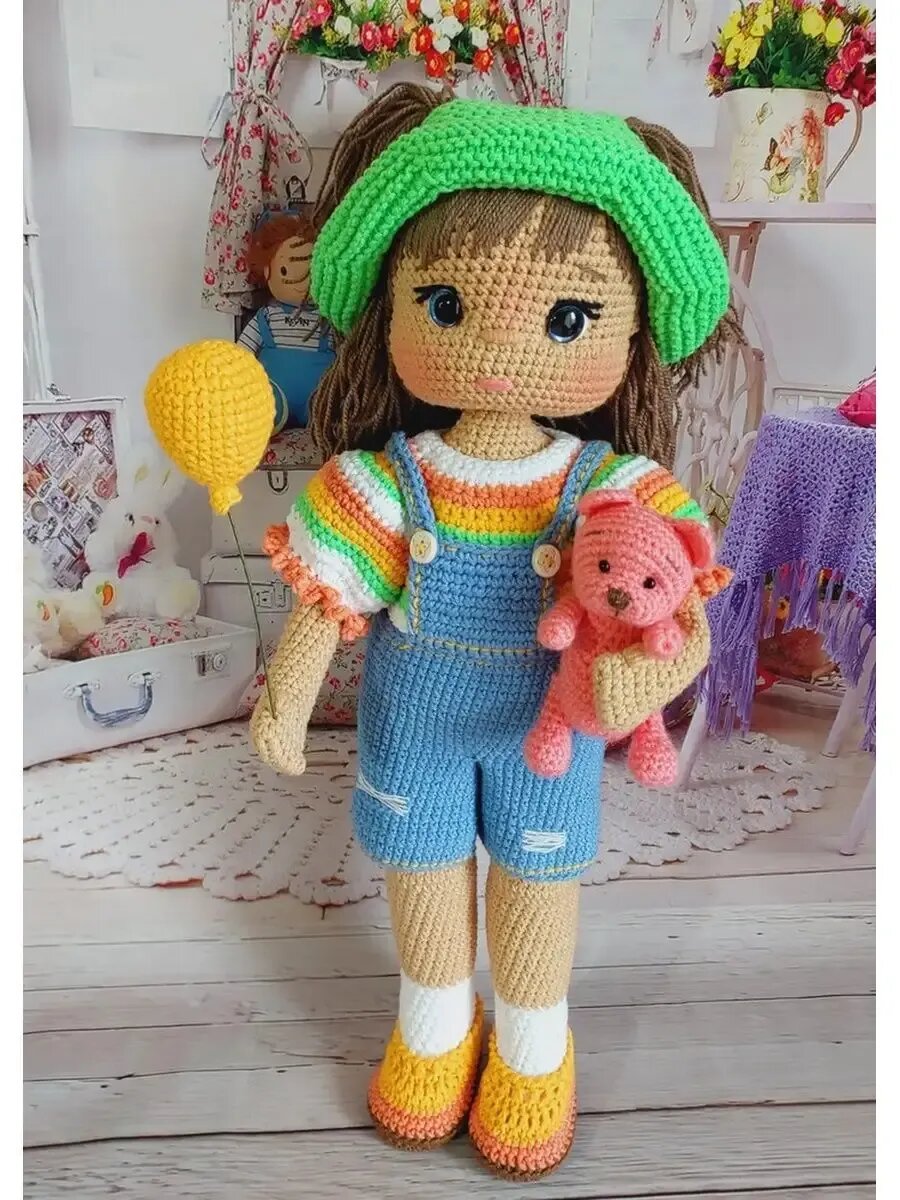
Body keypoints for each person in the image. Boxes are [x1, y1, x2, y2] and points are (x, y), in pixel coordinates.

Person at [250, 84, 733, 1179]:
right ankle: (433, 1025)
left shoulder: (613, 485)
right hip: (414, 727)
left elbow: (680, 609)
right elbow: (328, 589)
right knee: (420, 876)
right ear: (394, 307)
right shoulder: (390, 480)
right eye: (447, 305)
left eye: (567, 319)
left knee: (536, 885)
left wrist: (641, 680)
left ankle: (531, 1045)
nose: (505, 347)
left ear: (627, 332)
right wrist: (287, 695)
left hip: (545, 731)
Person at [238, 211, 334, 430]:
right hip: (272, 401)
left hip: (319, 402)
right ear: (267, 271)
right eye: (285, 270)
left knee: (328, 416)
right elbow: (240, 355)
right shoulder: (266, 317)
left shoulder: (327, 319)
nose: (301, 282)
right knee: (261, 415)